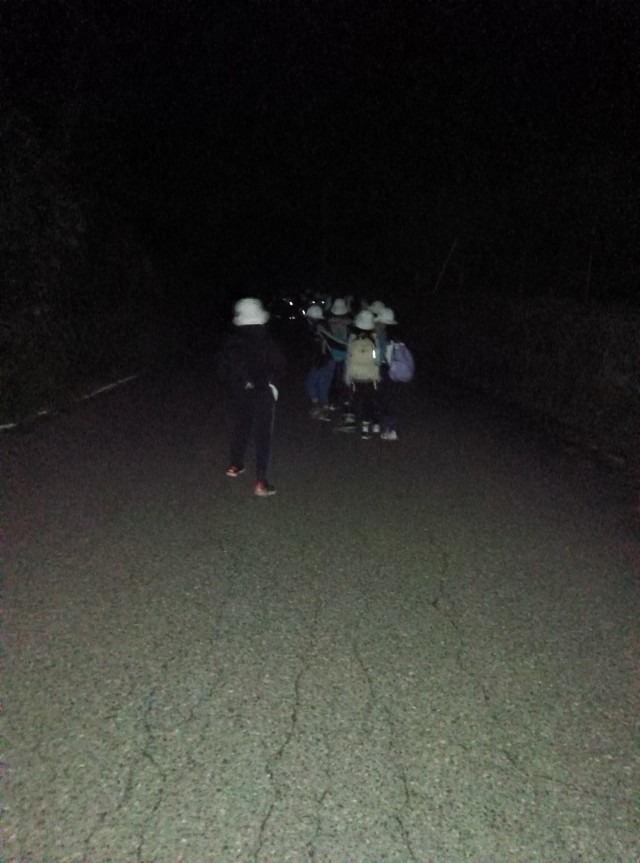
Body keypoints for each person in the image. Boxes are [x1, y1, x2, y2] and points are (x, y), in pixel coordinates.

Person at [216, 298, 284, 497]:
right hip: (262, 391)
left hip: (239, 392)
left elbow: (221, 369)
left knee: (241, 425)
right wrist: (272, 383)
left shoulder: (231, 340)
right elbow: (279, 364)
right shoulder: (265, 339)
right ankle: (261, 482)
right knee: (263, 435)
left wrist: (238, 383)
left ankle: (235, 465)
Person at [343, 309, 380, 439]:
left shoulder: (352, 338)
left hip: (355, 377)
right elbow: (377, 360)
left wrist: (347, 375)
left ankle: (350, 421)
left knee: (353, 398)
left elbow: (348, 357)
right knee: (367, 402)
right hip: (369, 378)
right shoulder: (374, 340)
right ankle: (365, 430)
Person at [303, 304, 334, 420]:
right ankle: (319, 407)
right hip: (324, 360)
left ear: (311, 318)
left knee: (319, 384)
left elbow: (322, 348)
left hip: (325, 360)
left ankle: (323, 410)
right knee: (316, 383)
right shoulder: (323, 327)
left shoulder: (318, 329)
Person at [373, 306, 400, 440]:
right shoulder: (394, 336)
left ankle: (386, 427)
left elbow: (377, 356)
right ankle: (390, 428)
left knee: (382, 399)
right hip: (394, 370)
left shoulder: (380, 336)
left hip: (383, 369)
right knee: (389, 399)